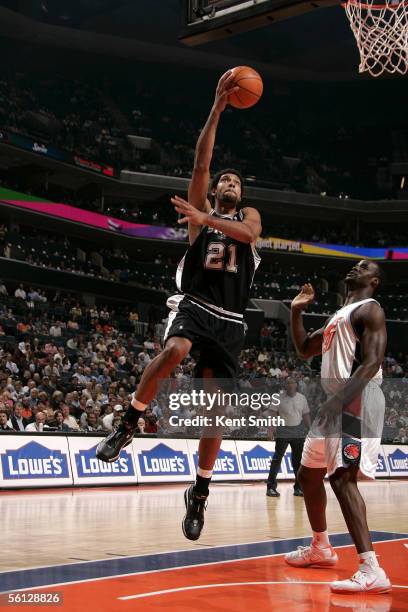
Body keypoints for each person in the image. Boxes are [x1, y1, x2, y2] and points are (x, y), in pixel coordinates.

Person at [96, 70, 262, 541]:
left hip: (231, 322)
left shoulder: (246, 218)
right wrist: (216, 107)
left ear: (240, 195)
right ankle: (129, 423)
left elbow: (248, 234)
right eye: (223, 180)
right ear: (215, 190)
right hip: (195, 304)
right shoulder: (199, 218)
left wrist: (207, 215)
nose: (227, 182)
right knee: (175, 351)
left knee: (217, 416)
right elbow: (199, 166)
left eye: (234, 181)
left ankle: (200, 493)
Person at [284, 259, 391, 594]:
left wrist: (337, 401)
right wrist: (296, 312)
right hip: (337, 399)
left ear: (373, 281)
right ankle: (321, 547)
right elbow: (303, 350)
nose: (355, 269)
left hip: (355, 397)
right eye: (355, 266)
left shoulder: (370, 310)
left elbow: (372, 362)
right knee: (308, 473)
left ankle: (372, 568)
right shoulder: (338, 317)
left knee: (343, 479)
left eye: (363, 268)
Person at [266, 378, 311, 497]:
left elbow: (306, 415)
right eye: (288, 383)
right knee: (277, 459)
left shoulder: (302, 398)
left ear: (296, 385)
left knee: (298, 461)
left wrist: (311, 430)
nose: (290, 385)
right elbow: (272, 414)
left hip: (298, 431)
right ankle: (271, 487)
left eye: (293, 383)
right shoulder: (277, 398)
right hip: (282, 431)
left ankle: (298, 488)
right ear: (285, 386)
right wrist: (270, 429)